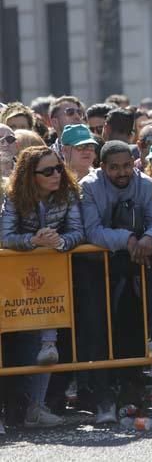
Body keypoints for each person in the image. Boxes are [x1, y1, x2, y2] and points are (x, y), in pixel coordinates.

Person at [78, 141, 152, 422]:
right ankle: (103, 400)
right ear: (102, 167)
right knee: (98, 330)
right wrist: (128, 238)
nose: (122, 172)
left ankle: (135, 387)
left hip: (136, 260)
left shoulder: (145, 184)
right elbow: (92, 231)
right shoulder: (89, 186)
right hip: (95, 266)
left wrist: (148, 239)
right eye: (114, 167)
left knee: (131, 328)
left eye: (126, 165)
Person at [1, 146, 84, 427]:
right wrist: (34, 242)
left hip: (54, 278)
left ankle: (38, 406)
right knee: (20, 346)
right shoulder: (14, 197)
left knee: (47, 347)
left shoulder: (69, 193)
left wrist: (58, 242)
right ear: (30, 175)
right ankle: (19, 410)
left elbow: (78, 231)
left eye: (58, 168)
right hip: (16, 280)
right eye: (47, 171)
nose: (56, 174)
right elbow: (6, 236)